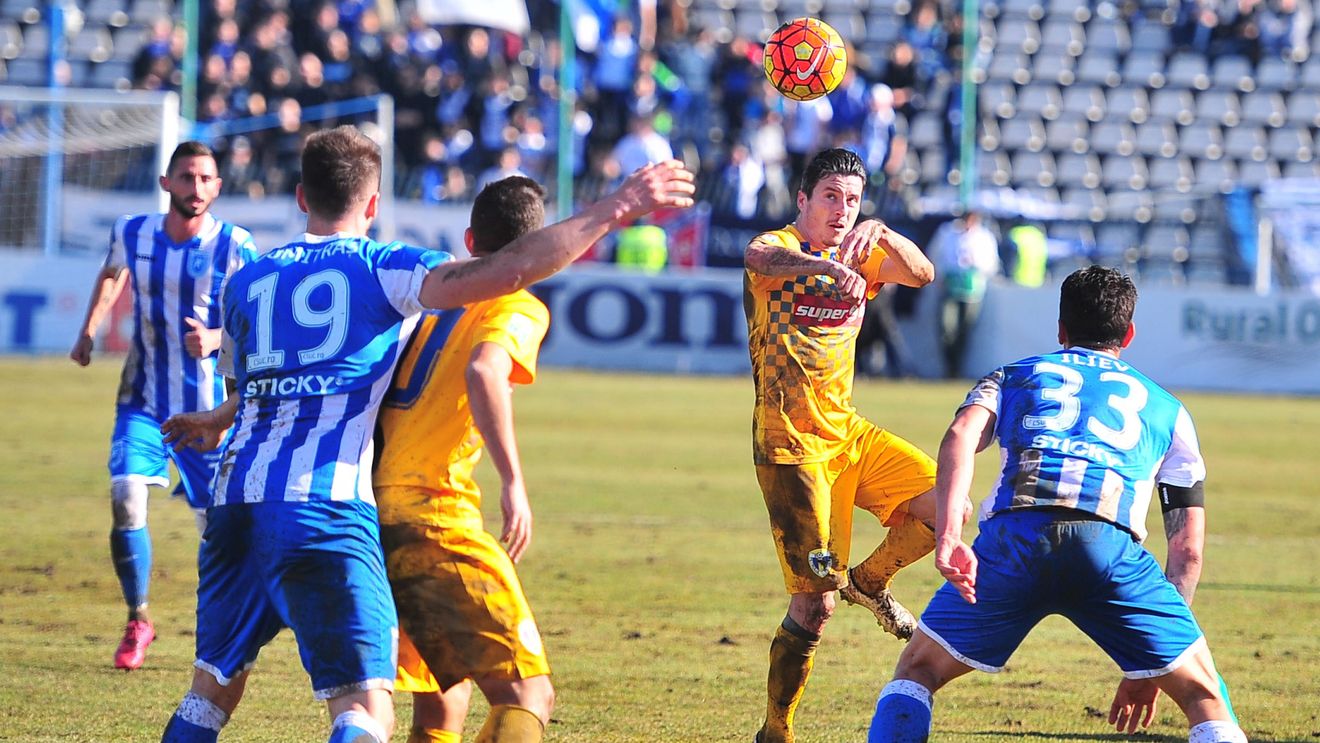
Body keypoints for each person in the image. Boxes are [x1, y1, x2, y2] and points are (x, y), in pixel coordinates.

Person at [155, 126, 694, 743]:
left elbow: (260, 382)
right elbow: (510, 268)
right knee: (364, 710)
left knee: (208, 696)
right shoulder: (388, 268)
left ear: (301, 197)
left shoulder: (248, 281)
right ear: (375, 203)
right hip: (325, 506)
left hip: (233, 503)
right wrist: (617, 206)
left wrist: (216, 419)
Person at [868, 266, 1247, 743]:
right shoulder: (1168, 409)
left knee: (917, 669)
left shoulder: (1013, 376)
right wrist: (1149, 666)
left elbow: (961, 436)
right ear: (1128, 334)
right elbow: (1187, 550)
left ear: (1061, 330)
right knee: (1204, 697)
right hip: (1108, 548)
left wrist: (949, 537)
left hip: (1015, 539)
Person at [741, 148, 942, 743]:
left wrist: (882, 231)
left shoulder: (863, 245)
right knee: (814, 608)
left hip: (848, 433)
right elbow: (758, 254)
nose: (842, 210)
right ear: (802, 199)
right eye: (831, 196)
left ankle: (871, 581)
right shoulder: (779, 248)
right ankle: (775, 731)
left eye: (852, 200)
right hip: (790, 446)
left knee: (945, 503)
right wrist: (824, 269)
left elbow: (922, 273)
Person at [373, 175, 555, 743]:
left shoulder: (428, 302)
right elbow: (484, 370)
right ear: (536, 247)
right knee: (529, 694)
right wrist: (514, 481)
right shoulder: (517, 302)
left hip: (377, 508)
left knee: (441, 707)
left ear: (470, 239)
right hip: (434, 513)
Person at [68, 140, 257, 671]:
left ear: (217, 188)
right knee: (126, 495)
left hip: (207, 416)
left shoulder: (236, 245)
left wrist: (218, 338)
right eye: (186, 177)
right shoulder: (132, 231)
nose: (196, 188)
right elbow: (112, 272)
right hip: (143, 402)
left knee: (215, 533)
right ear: (166, 183)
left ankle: (227, 630)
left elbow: (257, 315)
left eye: (205, 179)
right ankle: (139, 618)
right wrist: (89, 329)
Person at [929, 211, 999, 378]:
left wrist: (975, 265)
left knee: (965, 331)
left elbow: (991, 265)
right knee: (947, 328)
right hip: (950, 287)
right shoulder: (947, 233)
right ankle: (949, 366)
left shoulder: (984, 237)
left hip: (972, 290)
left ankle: (957, 368)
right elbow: (935, 255)